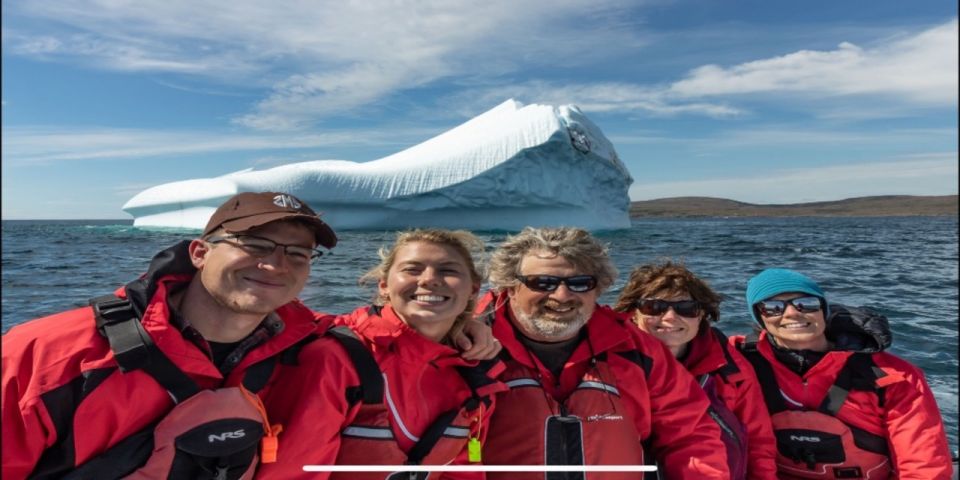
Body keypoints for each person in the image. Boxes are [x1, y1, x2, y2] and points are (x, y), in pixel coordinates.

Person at [2, 191, 338, 479]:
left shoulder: (304, 347)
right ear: (200, 253)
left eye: (298, 254)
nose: (277, 265)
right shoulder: (45, 356)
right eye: (254, 244)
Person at [477, 227, 729, 479]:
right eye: (543, 283)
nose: (562, 295)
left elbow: (691, 436)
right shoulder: (471, 348)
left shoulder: (638, 352)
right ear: (510, 287)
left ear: (597, 290)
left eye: (580, 283)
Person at [257, 229, 507, 480]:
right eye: (412, 269)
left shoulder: (474, 376)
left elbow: (463, 471)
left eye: (448, 270)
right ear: (385, 286)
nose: (429, 279)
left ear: (473, 291)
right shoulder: (337, 360)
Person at [733, 268, 953, 479]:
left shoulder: (893, 375)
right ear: (760, 319)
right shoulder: (738, 361)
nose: (792, 314)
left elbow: (923, 464)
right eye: (772, 308)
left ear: (824, 310)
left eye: (806, 304)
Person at [613, 260, 777, 479]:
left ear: (701, 316)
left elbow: (758, 440)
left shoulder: (728, 366)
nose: (670, 317)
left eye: (686, 308)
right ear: (633, 313)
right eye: (654, 307)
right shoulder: (609, 365)